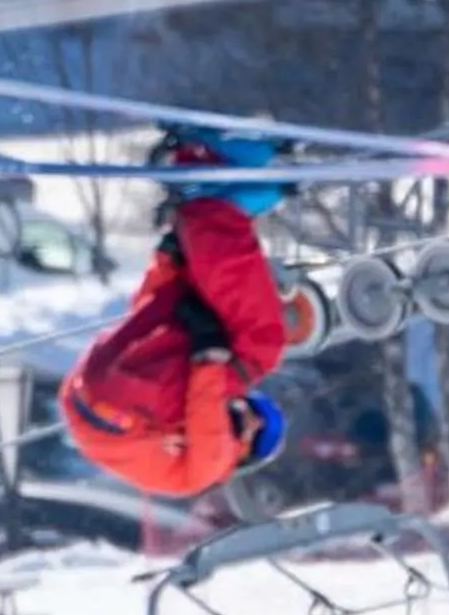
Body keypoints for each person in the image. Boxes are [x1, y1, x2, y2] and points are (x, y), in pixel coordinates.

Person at [59, 137, 291, 500]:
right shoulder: (175, 455)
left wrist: (209, 357)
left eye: (261, 431)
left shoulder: (214, 465)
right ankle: (194, 176)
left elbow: (207, 424)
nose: (254, 418)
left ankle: (214, 205)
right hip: (89, 392)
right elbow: (147, 311)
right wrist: (167, 266)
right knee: (184, 307)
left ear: (245, 455)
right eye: (258, 409)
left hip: (123, 411)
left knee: (260, 346)